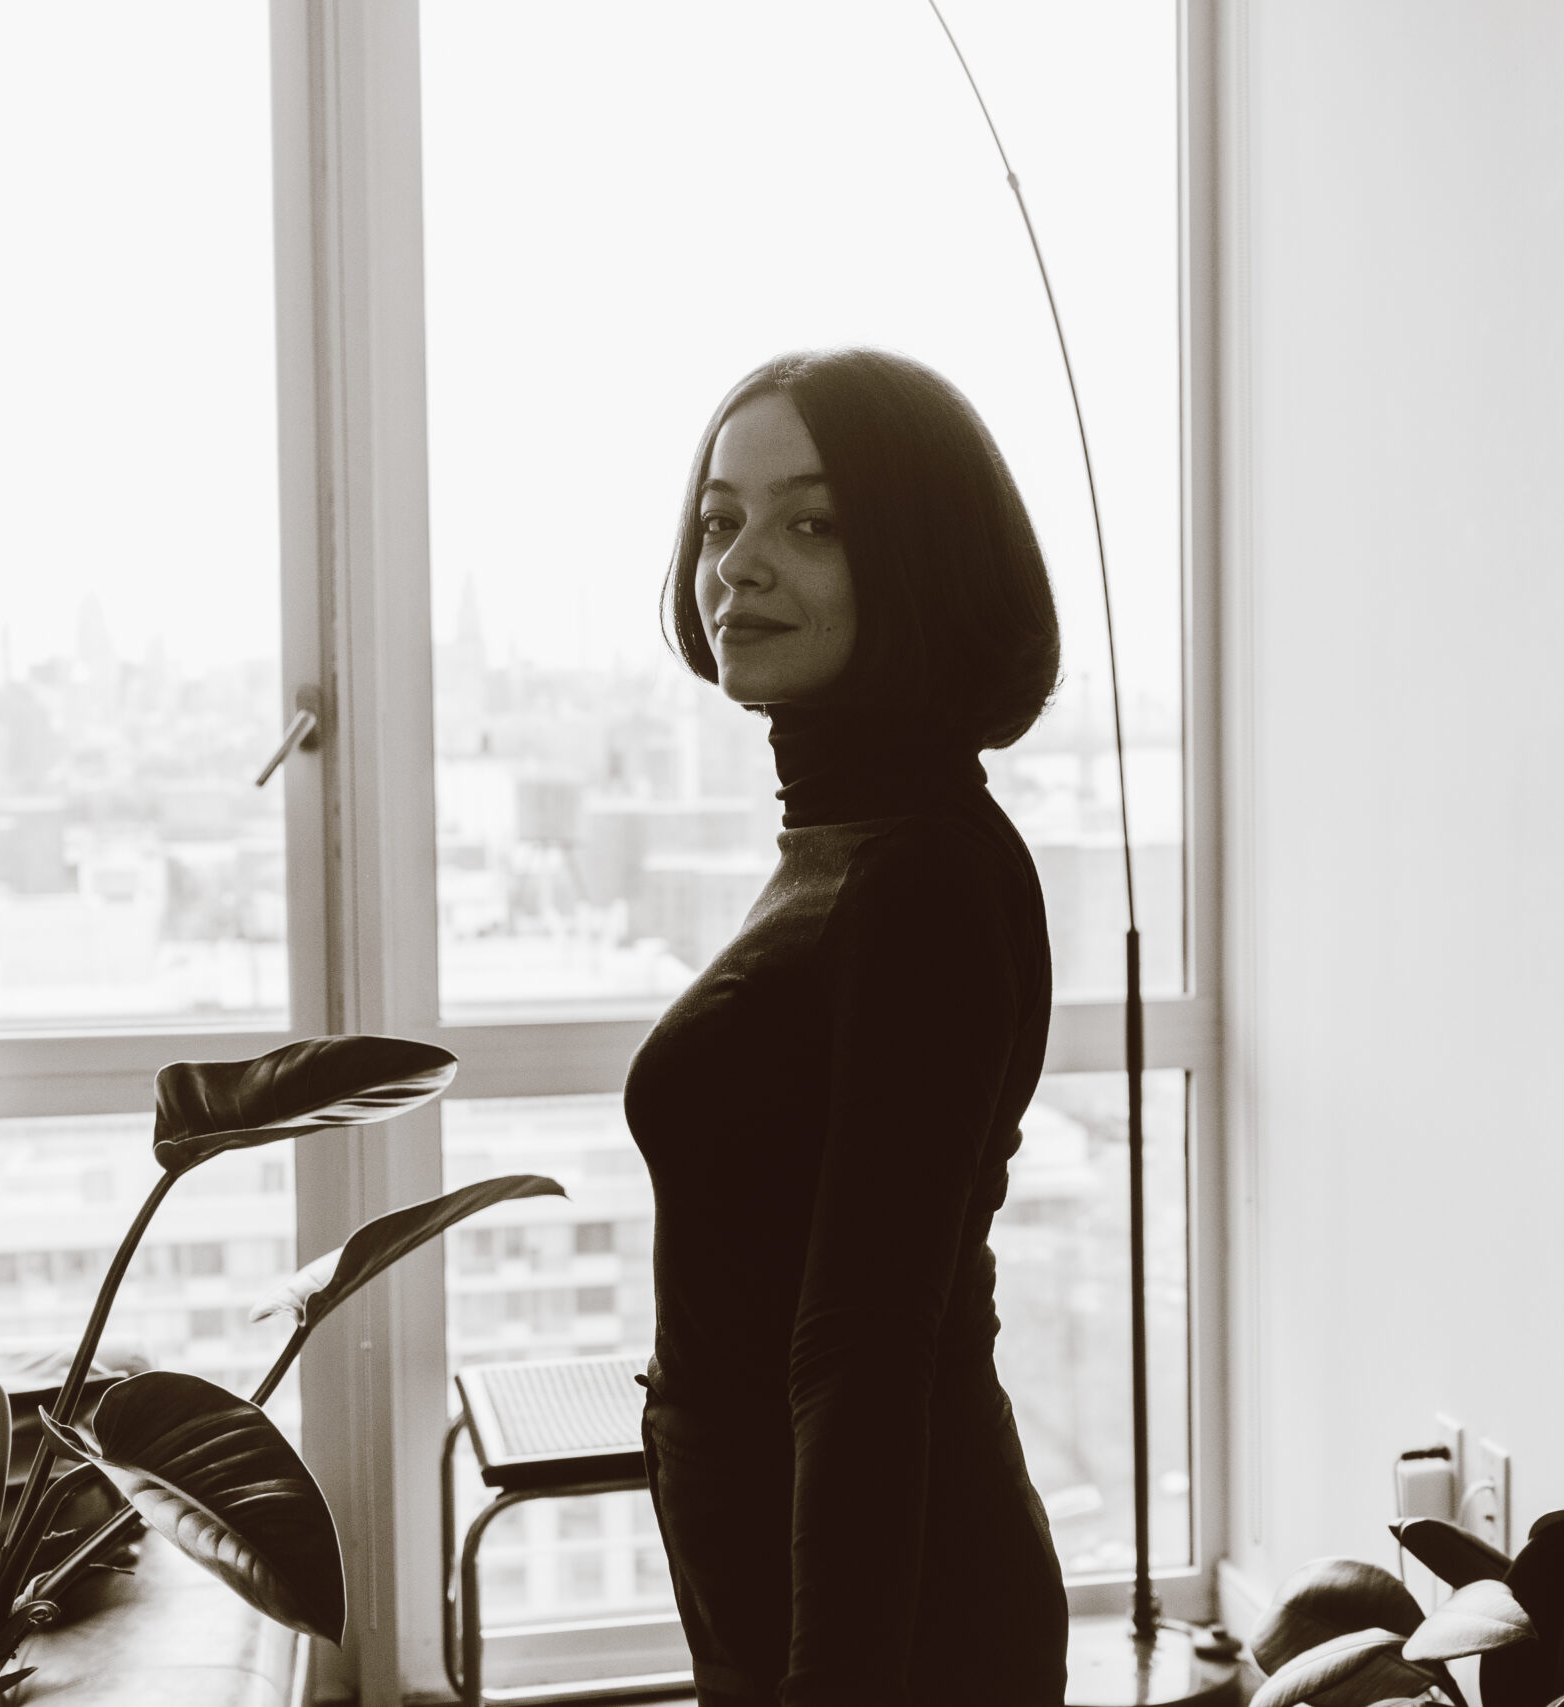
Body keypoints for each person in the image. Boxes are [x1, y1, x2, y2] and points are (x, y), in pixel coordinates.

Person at [623, 348, 1070, 1707]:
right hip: (789, 1575)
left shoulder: (918, 876)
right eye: (721, 518)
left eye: (812, 523)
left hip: (890, 1620)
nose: (739, 565)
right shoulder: (849, 834)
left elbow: (862, 1353)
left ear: (922, 560)